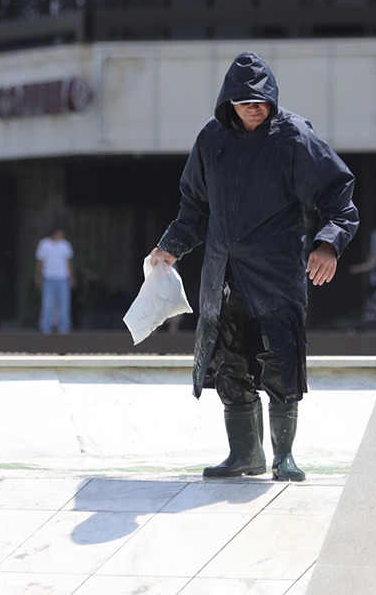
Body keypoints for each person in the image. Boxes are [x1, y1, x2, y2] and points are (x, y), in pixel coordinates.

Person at [149, 51, 358, 481]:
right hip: (222, 272)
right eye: (245, 100)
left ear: (272, 99)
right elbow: (194, 207)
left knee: (280, 359)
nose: (253, 107)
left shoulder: (294, 137)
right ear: (230, 102)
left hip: (276, 272)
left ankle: (284, 456)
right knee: (229, 362)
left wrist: (328, 245)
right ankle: (245, 454)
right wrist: (170, 246)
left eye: (261, 100)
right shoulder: (211, 141)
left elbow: (338, 194)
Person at [35, 225, 75, 334]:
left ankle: (64, 328)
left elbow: (68, 262)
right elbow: (40, 262)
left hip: (63, 279)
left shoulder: (65, 245)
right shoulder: (44, 244)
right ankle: (45, 327)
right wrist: (38, 277)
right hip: (48, 278)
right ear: (55, 232)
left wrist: (71, 277)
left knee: (64, 304)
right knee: (47, 304)